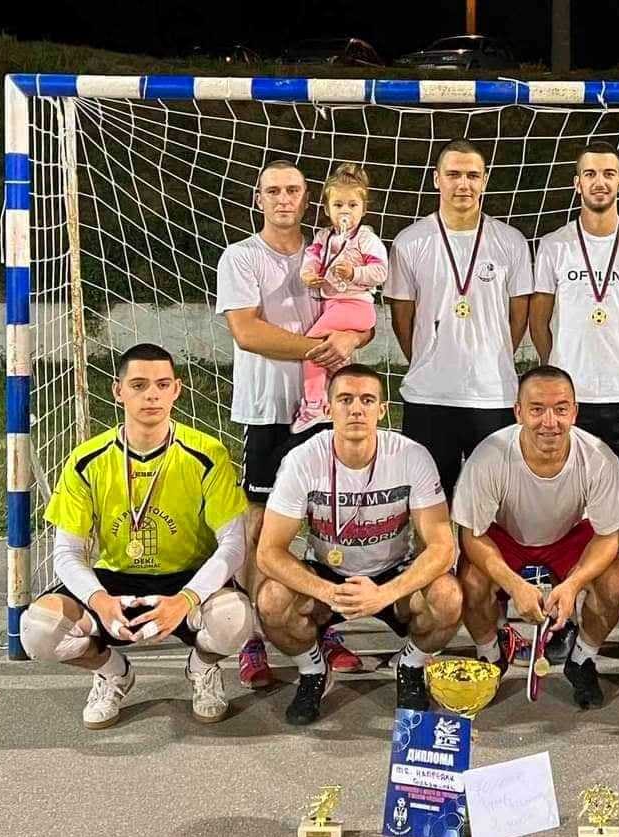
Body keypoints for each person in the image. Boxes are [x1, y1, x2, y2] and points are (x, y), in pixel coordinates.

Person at [19, 343, 252, 729]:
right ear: (118, 390)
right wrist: (99, 600)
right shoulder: (86, 460)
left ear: (177, 390)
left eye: (162, 385)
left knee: (234, 618)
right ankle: (114, 672)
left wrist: (186, 599)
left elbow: (233, 544)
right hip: (116, 582)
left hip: (186, 580)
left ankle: (202, 668)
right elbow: (67, 552)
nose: (152, 395)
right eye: (139, 385)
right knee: (38, 631)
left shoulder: (207, 454)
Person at [216, 159, 374, 687]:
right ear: (258, 198)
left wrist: (352, 338)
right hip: (268, 408)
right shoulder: (241, 257)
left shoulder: (332, 249)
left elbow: (358, 316)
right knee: (260, 522)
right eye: (274, 190)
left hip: (327, 410)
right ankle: (253, 638)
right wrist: (318, 349)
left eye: (293, 190)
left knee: (329, 519)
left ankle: (321, 626)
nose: (284, 198)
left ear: (308, 200)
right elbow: (247, 332)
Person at [255, 364, 462, 725]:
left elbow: (443, 547)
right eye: (345, 400)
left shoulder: (411, 456)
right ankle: (313, 669)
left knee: (448, 597)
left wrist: (385, 593)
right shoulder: (302, 459)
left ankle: (411, 666)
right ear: (327, 408)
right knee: (272, 600)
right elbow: (268, 553)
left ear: (382, 410)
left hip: (393, 573)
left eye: (367, 400)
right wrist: (328, 592)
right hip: (327, 573)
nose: (356, 409)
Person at [529, 140, 619, 666]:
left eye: (609, 173)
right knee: (571, 511)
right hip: (575, 403)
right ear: (577, 184)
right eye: (590, 174)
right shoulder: (555, 245)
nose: (600, 182)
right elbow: (539, 318)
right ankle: (567, 615)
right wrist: (558, 371)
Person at [452, 366, 619, 709]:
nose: (549, 422)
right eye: (537, 409)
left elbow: (610, 536)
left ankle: (582, 659)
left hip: (567, 536)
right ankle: (491, 657)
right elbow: (472, 535)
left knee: (615, 580)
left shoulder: (599, 458)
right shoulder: (490, 456)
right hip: (506, 536)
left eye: (561, 409)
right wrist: (514, 586)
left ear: (575, 412)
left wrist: (573, 584)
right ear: (518, 412)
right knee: (471, 581)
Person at [386, 137, 534, 502]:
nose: (463, 184)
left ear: (485, 180)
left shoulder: (511, 241)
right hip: (429, 396)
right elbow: (402, 318)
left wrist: (493, 352)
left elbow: (519, 316)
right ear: (436, 179)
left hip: (493, 394)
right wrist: (427, 356)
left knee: (492, 505)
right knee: (428, 505)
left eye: (472, 175)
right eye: (453, 174)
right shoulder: (410, 241)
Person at [292, 162, 388, 433]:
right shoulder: (324, 236)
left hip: (355, 306)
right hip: (333, 305)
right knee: (335, 358)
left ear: (363, 209)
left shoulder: (366, 239)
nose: (345, 211)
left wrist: (354, 272)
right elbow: (311, 258)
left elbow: (381, 271)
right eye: (338, 205)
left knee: (313, 347)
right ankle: (341, 400)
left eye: (352, 205)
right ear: (327, 209)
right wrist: (308, 273)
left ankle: (313, 405)